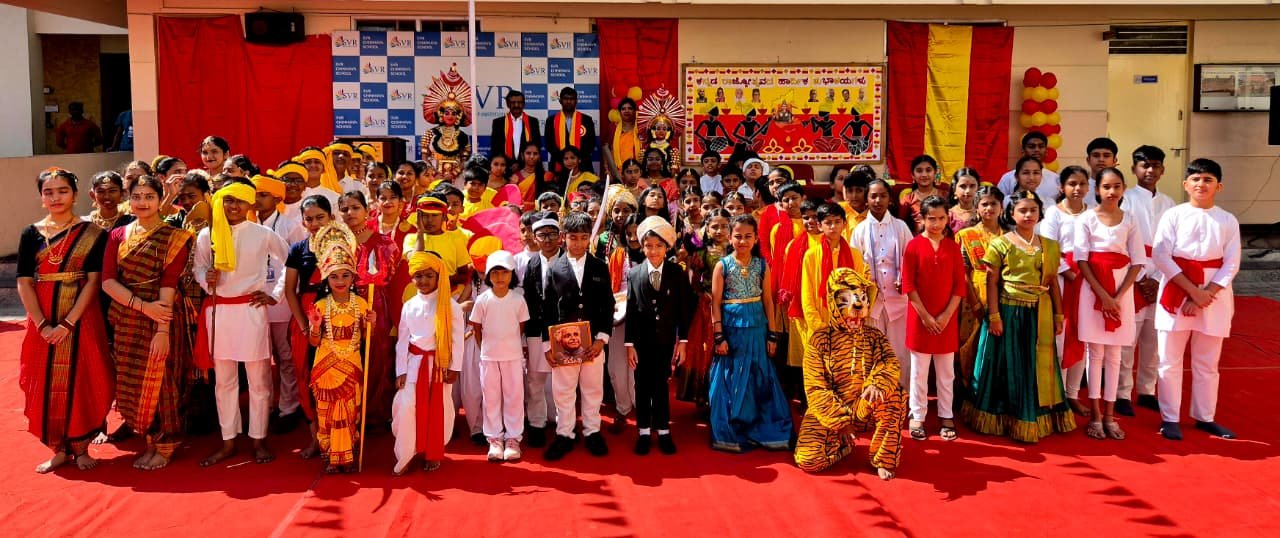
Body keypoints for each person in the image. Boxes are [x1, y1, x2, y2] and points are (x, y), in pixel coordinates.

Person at [17, 168, 114, 473]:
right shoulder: (31, 233)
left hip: (83, 317)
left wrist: (68, 323)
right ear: (41, 197)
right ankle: (59, 448)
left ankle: (81, 446)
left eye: (62, 191)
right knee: (43, 380)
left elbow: (94, 281)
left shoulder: (92, 233)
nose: (56, 197)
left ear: (74, 194)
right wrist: (42, 324)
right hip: (43, 317)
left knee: (86, 377)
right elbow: (24, 281)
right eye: (49, 192)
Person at [962, 190, 1076, 443]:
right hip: (1008, 310)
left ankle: (1036, 415)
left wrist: (1058, 315)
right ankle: (1004, 417)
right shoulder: (1001, 243)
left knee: (1034, 363)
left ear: (1040, 213)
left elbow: (1052, 283)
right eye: (1022, 210)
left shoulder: (1049, 245)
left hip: (1039, 312)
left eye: (1033, 210)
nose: (1028, 215)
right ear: (1011, 214)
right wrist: (994, 316)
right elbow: (992, 282)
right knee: (1006, 364)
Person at [192, 179, 290, 466]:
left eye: (240, 200)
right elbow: (199, 267)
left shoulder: (262, 233)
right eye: (228, 200)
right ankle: (228, 441)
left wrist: (275, 294)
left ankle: (259, 439)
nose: (233, 206)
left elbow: (289, 261)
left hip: (251, 310)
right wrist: (206, 278)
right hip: (219, 311)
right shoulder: (207, 234)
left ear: (250, 204)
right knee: (224, 381)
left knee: (259, 379)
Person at [101, 176, 193, 470]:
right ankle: (149, 440)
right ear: (129, 199)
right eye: (137, 196)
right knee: (132, 379)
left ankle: (165, 444)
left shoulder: (174, 237)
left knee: (163, 381)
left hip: (163, 316)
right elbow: (107, 281)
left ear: (160, 199)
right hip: (128, 317)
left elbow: (169, 283)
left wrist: (162, 329)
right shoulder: (118, 235)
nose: (143, 202)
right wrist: (142, 307)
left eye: (149, 196)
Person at [1153, 158, 1240, 441]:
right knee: (1169, 360)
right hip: (1177, 288)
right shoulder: (1173, 215)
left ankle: (1205, 416)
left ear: (1219, 186)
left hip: (1214, 296)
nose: (1201, 184)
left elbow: (1232, 262)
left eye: (1208, 180)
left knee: (1207, 362)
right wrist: (1193, 291)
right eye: (1196, 179)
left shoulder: (1227, 220)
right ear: (1185, 184)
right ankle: (1170, 418)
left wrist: (1207, 293)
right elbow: (1161, 254)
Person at [794, 268, 904, 480]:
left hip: (863, 406)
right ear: (833, 304)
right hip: (831, 412)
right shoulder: (819, 340)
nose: (858, 306)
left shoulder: (875, 337)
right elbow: (815, 388)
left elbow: (889, 363)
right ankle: (843, 446)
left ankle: (883, 458)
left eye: (862, 298)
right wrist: (841, 422)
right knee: (808, 460)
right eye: (845, 300)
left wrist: (877, 383)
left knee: (894, 394)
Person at [708, 215, 793, 452]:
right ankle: (732, 431)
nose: (743, 241)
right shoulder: (722, 265)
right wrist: (719, 336)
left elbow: (768, 302)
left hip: (757, 329)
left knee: (760, 377)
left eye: (748, 236)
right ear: (730, 237)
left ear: (756, 239)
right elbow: (715, 303)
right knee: (732, 378)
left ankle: (763, 430)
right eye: (738, 236)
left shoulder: (762, 265)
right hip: (731, 331)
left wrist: (773, 335)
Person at [536, 212, 615, 460]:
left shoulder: (599, 266)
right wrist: (548, 345)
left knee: (593, 388)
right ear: (563, 237)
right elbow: (547, 308)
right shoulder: (554, 268)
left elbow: (608, 304)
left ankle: (592, 431)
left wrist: (601, 338)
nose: (578, 243)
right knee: (564, 390)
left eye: (583, 237)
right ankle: (565, 434)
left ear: (589, 238)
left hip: (593, 343)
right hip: (563, 342)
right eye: (573, 237)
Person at [1075, 167, 1145, 440]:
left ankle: (1109, 414)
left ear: (1124, 188)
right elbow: (1082, 259)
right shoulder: (1086, 218)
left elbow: (1137, 261)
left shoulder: (1130, 219)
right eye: (1106, 187)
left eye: (1117, 186)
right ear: (1097, 190)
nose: (1112, 191)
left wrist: (1117, 296)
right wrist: (1102, 295)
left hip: (1121, 290)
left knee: (1115, 354)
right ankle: (1094, 414)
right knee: (1095, 354)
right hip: (1093, 289)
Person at [305, 223, 371, 473]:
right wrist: (315, 326)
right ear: (326, 278)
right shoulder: (321, 306)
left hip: (351, 365)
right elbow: (314, 343)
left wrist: (372, 322)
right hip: (325, 367)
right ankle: (331, 456)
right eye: (334, 276)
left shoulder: (362, 304)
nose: (340, 281)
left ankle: (348, 455)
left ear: (353, 277)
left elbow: (366, 339)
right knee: (326, 414)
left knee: (351, 412)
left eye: (345, 275)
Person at [625, 217, 694, 455]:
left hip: (665, 341)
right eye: (649, 246)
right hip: (641, 342)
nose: (653, 251)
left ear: (667, 248)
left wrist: (682, 341)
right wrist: (629, 344)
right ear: (642, 247)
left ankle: (664, 430)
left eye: (659, 246)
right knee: (642, 385)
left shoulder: (677, 273)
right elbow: (631, 311)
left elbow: (684, 310)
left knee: (661, 384)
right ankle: (644, 430)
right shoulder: (634, 274)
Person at [393, 251, 465, 474]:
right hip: (414, 364)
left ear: (438, 277)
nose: (423, 280)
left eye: (429, 275)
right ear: (412, 277)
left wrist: (454, 367)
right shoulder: (409, 305)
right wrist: (401, 370)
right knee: (407, 407)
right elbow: (402, 340)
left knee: (439, 408)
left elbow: (457, 339)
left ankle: (433, 452)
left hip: (439, 366)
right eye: (418, 276)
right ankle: (405, 454)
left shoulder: (450, 306)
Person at [902, 197, 966, 442]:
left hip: (947, 320)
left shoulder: (952, 247)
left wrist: (946, 315)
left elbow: (959, 286)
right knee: (918, 372)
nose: (936, 223)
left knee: (946, 372)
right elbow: (908, 285)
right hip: (920, 320)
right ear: (922, 219)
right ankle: (917, 414)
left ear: (947, 218)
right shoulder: (913, 246)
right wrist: (926, 317)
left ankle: (946, 414)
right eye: (931, 218)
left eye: (941, 218)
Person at [338, 191, 399, 430]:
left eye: (355, 207)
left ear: (367, 210)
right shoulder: (335, 242)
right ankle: (347, 413)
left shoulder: (385, 243)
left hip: (375, 304)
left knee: (376, 358)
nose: (350, 213)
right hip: (342, 304)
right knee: (345, 356)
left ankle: (374, 413)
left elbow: (390, 277)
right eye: (345, 209)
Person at [1120, 146, 1175, 413]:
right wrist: (1142, 277)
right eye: (1144, 165)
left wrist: (1158, 277)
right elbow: (1121, 240)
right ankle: (1121, 392)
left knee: (1153, 338)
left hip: (1160, 274)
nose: (1150, 170)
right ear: (1134, 169)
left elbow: (1173, 244)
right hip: (1133, 273)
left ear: (1162, 170)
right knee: (1127, 338)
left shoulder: (1170, 204)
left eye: (1155, 165)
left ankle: (1147, 389)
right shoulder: (1125, 200)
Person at [284, 195, 336, 459]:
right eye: (309, 219)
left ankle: (339, 438)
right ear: (303, 221)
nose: (315, 223)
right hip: (305, 318)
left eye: (320, 218)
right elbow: (289, 290)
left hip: (338, 319)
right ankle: (315, 437)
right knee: (307, 377)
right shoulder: (298, 249)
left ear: (331, 218)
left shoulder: (342, 245)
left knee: (336, 378)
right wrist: (304, 326)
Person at [850, 179, 912, 386]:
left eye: (883, 195)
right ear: (866, 199)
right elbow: (854, 267)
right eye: (873, 196)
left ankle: (900, 395)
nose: (878, 200)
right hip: (871, 303)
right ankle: (876, 397)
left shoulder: (901, 227)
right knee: (872, 352)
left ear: (890, 199)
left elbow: (911, 259)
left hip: (898, 301)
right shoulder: (859, 230)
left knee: (900, 352)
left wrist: (905, 278)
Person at [469, 251, 529, 462]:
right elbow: (476, 327)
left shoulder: (518, 300)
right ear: (488, 275)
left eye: (504, 272)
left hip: (512, 357)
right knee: (491, 398)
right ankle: (494, 439)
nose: (500, 277)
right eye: (495, 273)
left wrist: (510, 346)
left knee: (514, 396)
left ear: (512, 274)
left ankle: (513, 438)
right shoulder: (482, 300)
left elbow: (521, 327)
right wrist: (485, 348)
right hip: (489, 358)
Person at [1042, 165, 1091, 417]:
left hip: (1088, 279)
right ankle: (1057, 394)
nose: (1077, 188)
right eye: (1072, 183)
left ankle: (1073, 394)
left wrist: (1089, 275)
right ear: (1062, 186)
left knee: (1082, 336)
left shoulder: (1093, 214)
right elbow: (1048, 248)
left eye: (1082, 183)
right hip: (1061, 280)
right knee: (1061, 336)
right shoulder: (1053, 213)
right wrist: (1068, 272)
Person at [676, 208, 730, 406]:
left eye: (724, 226)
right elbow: (694, 280)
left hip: (731, 306)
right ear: (707, 228)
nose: (719, 231)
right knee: (706, 350)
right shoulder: (701, 251)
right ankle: (705, 396)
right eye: (714, 226)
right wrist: (703, 296)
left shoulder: (736, 250)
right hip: (706, 306)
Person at [954, 186, 1004, 390]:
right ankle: (969, 390)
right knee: (970, 344)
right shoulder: (966, 235)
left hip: (1002, 295)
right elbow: (962, 272)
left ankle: (993, 393)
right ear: (976, 208)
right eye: (984, 204)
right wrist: (975, 304)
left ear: (1002, 207)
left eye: (993, 204)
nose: (989, 208)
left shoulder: (1009, 236)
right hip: (973, 294)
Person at [522, 214, 563, 447]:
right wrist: (526, 338)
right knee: (535, 380)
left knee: (562, 381)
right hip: (536, 330)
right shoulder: (532, 264)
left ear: (560, 237)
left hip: (561, 330)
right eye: (542, 235)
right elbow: (528, 300)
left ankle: (562, 423)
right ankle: (536, 423)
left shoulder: (568, 260)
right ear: (535, 238)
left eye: (551, 234)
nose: (547, 240)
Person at [545, 87, 598, 174]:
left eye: (572, 99)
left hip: (582, 164)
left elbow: (590, 144)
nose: (569, 101)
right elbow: (549, 144)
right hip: (559, 164)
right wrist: (565, 159)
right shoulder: (551, 120)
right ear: (560, 101)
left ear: (576, 101)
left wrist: (576, 159)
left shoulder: (586, 120)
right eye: (566, 98)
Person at [998, 132, 1060, 199]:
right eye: (1031, 146)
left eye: (1041, 146)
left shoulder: (1055, 179)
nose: (1036, 150)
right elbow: (999, 202)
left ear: (1046, 151)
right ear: (1023, 150)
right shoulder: (1008, 178)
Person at [898, 155, 950, 233]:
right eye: (919, 171)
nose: (924, 174)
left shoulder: (945, 196)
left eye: (928, 170)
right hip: (917, 239)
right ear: (913, 175)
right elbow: (901, 226)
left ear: (935, 173)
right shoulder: (908, 199)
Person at [491, 90, 542, 163]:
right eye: (513, 102)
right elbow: (496, 147)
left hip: (527, 165)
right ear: (508, 104)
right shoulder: (498, 123)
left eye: (519, 102)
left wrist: (520, 164)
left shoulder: (533, 122)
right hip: (505, 165)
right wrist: (510, 164)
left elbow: (536, 145)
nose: (516, 105)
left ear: (524, 104)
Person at [604, 97, 642, 180]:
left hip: (637, 172)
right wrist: (607, 169)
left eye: (630, 108)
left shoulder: (641, 128)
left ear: (635, 111)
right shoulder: (613, 128)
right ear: (619, 112)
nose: (626, 111)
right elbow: (607, 150)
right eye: (623, 109)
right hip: (618, 173)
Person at [837, 169, 871, 242]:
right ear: (845, 192)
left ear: (867, 191)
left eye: (859, 191)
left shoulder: (874, 212)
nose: (854, 196)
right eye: (850, 191)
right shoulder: (838, 210)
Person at [948, 168, 980, 234]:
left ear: (978, 188)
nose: (968, 191)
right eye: (963, 186)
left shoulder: (984, 213)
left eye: (972, 186)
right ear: (954, 189)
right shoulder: (948, 215)